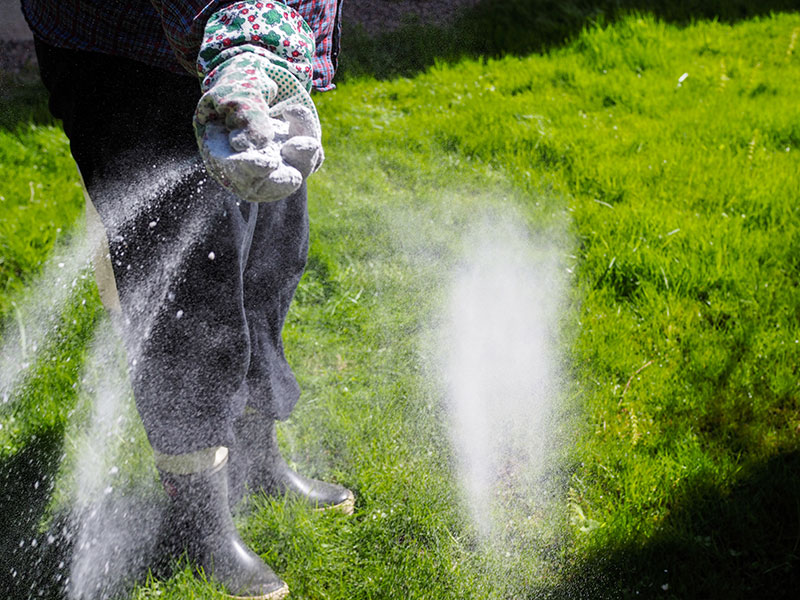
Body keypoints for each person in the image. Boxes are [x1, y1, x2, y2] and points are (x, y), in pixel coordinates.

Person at [20, 1, 350, 598]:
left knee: (268, 249)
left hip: (249, 46)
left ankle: (255, 457)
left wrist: (269, 56)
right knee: (187, 293)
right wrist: (243, 46)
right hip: (126, 49)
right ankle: (199, 521)